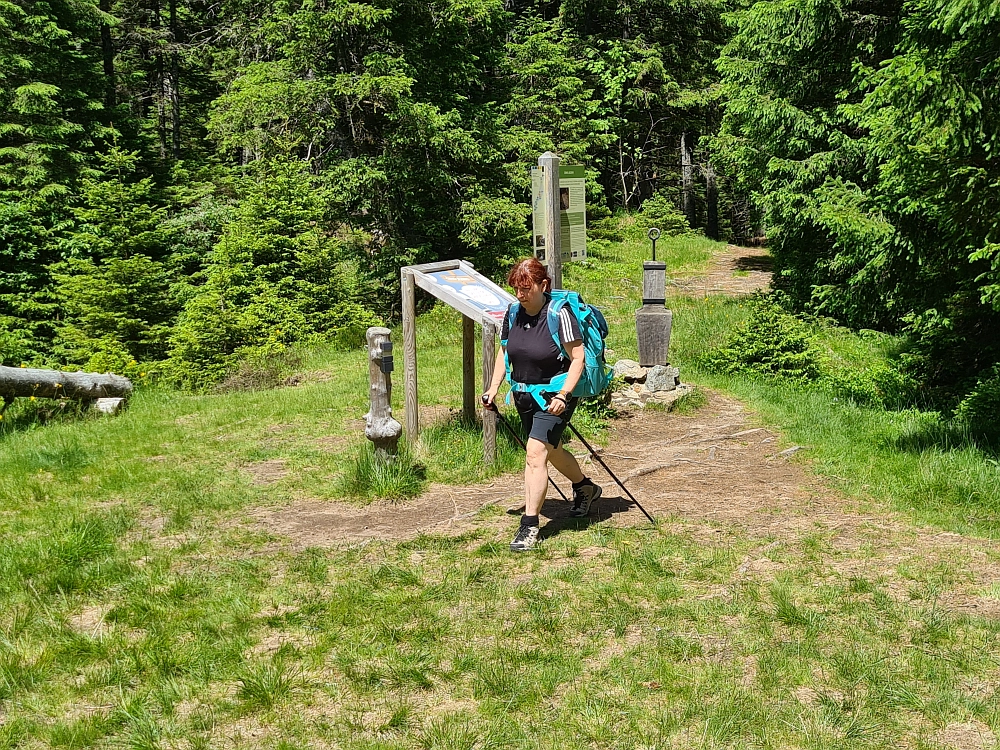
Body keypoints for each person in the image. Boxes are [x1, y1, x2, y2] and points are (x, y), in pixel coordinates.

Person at [482, 257, 602, 552]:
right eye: (517, 289)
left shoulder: (559, 314)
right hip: (523, 395)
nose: (521, 295)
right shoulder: (512, 313)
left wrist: (564, 395)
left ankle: (529, 526)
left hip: (554, 397)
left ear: (543, 285)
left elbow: (578, 357)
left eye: (527, 289)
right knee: (552, 450)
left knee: (535, 454)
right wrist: (493, 388)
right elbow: (504, 352)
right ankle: (585, 487)